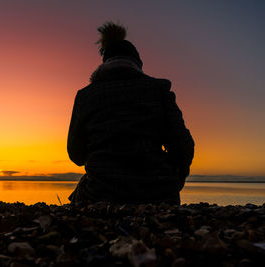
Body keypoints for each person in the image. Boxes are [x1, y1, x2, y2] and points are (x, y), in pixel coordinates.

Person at [67, 22, 194, 205]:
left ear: (105, 63)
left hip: (99, 195)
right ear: (137, 65)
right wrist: (174, 178)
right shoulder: (159, 89)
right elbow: (183, 146)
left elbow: (76, 154)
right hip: (158, 194)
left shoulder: (86, 96)